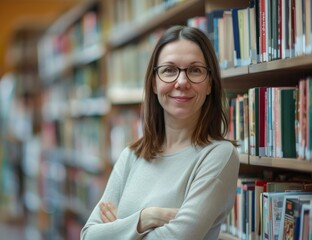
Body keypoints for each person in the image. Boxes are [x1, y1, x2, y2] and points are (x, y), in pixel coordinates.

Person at [80, 25, 240, 240]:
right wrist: (146, 218)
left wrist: (118, 228)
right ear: (154, 83)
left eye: (195, 70)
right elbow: (89, 236)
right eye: (169, 70)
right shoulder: (132, 155)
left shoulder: (219, 156)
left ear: (210, 83)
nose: (182, 82)